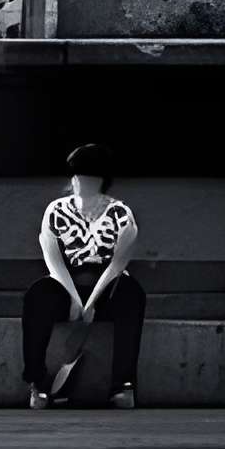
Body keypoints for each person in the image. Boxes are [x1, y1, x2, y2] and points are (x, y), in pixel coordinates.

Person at [25, 143, 142, 410]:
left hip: (106, 287)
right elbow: (54, 262)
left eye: (89, 177)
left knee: (131, 293)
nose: (81, 182)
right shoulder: (56, 210)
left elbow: (117, 265)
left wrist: (91, 303)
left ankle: (123, 385)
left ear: (103, 182)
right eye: (78, 176)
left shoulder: (121, 213)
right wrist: (75, 300)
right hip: (66, 285)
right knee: (37, 295)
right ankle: (37, 383)